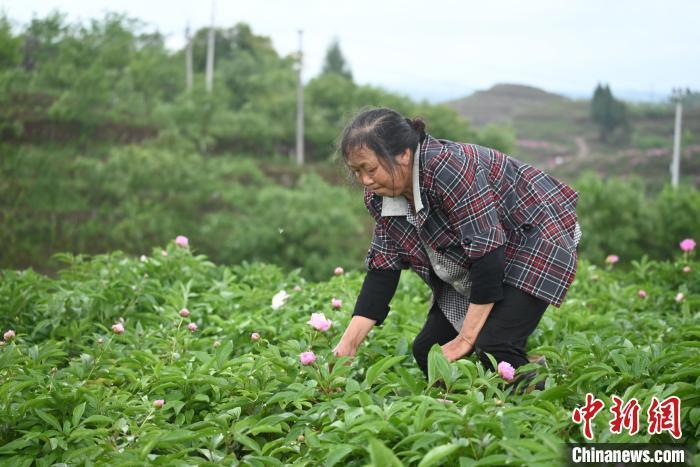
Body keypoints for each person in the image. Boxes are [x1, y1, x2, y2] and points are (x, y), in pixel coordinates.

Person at [331, 107, 582, 387]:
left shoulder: (449, 167)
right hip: (483, 254)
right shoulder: (380, 197)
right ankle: (464, 411)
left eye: (371, 169)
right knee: (430, 352)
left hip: (535, 237)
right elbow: (382, 271)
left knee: (493, 345)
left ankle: (543, 402)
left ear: (403, 154)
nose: (365, 180)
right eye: (357, 172)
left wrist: (466, 339)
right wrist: (347, 346)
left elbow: (488, 257)